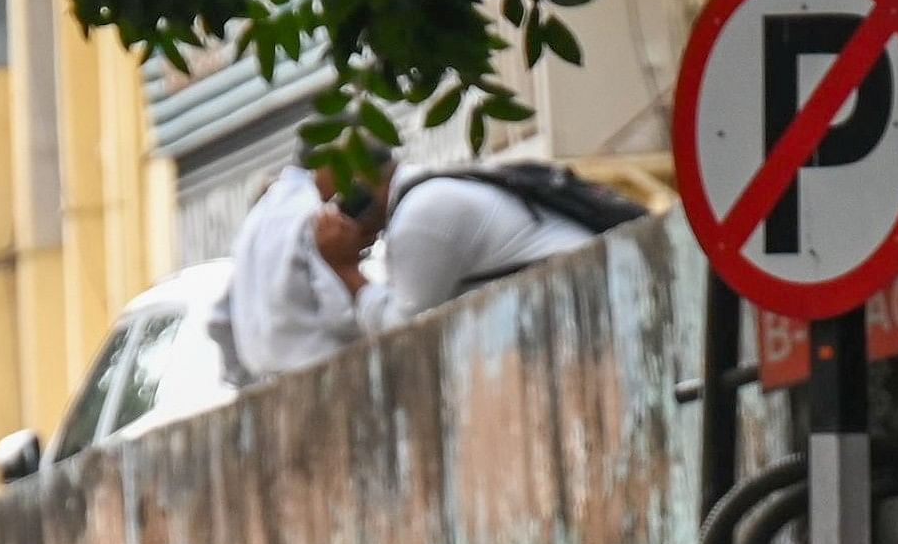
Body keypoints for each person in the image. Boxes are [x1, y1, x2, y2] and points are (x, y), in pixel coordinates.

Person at [356, 161, 642, 330]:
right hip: (586, 300)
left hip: (590, 308)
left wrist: (344, 270)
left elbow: (403, 333)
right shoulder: (434, 189)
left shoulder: (420, 213)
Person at [213, 150, 392, 380]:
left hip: (269, 386)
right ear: (327, 163)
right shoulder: (315, 215)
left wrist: (246, 382)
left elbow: (219, 320)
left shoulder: (254, 220)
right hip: (326, 373)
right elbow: (341, 314)